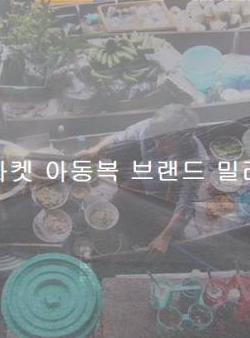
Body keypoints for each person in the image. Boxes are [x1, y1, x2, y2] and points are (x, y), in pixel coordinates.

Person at [76, 104, 208, 253]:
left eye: (166, 143)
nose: (158, 146)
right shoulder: (149, 127)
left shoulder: (196, 161)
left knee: (161, 229)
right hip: (147, 174)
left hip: (172, 192)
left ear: (184, 141)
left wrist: (164, 236)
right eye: (156, 139)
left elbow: (185, 202)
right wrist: (94, 149)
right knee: (119, 200)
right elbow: (117, 138)